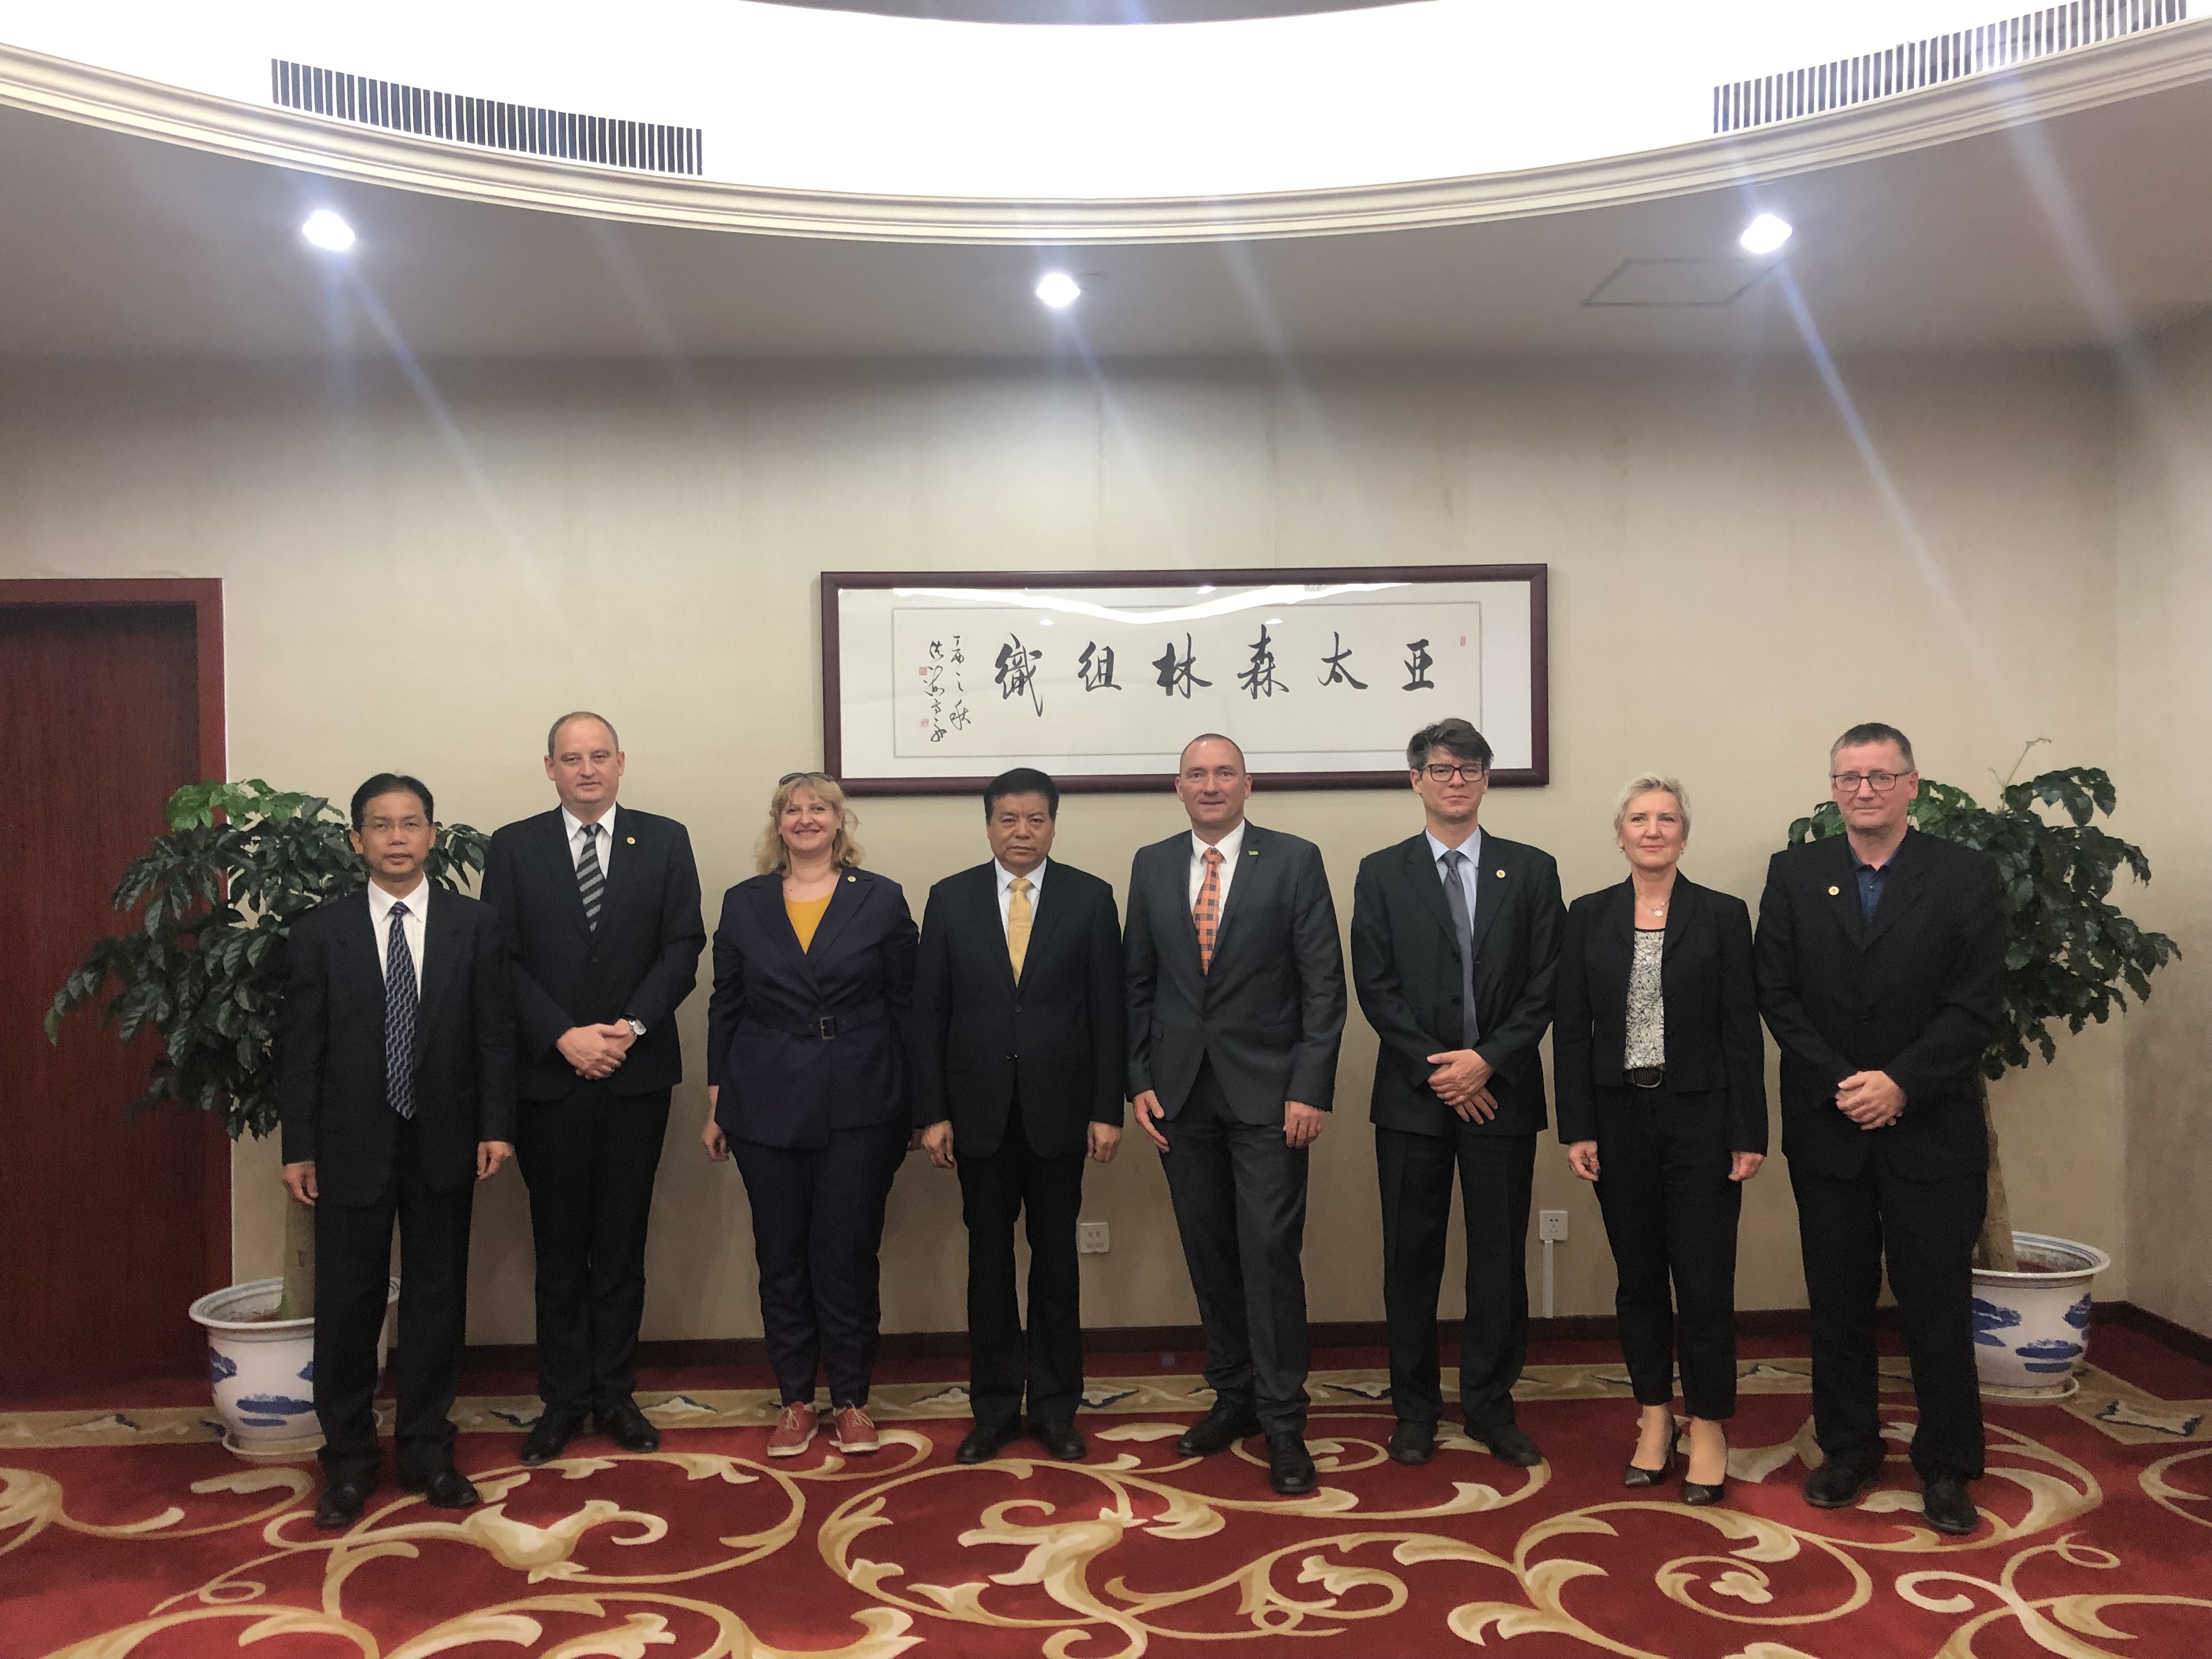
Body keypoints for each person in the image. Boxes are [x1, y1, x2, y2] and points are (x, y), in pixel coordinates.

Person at [1756, 722, 2004, 1538]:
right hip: (1830, 1128)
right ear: (1833, 789)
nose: (1863, 790)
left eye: (1879, 776)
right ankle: (1850, 1448)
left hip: (1931, 1127)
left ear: (1911, 785)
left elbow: (1974, 1002)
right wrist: (1846, 1084)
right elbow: (1776, 994)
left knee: (1937, 1301)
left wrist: (1900, 1083)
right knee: (1838, 1299)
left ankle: (1947, 1465)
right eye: (1848, 777)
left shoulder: (1963, 875)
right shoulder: (1796, 874)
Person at [278, 774, 515, 1529]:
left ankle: (427, 1452)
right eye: (381, 825)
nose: (397, 838)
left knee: (437, 1301)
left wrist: (497, 1125)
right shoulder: (321, 931)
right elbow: (301, 1048)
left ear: (432, 835)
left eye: (411, 823)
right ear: (358, 840)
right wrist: (299, 1145)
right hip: (349, 1145)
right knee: (347, 1306)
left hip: (447, 1139)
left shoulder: (476, 925)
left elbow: (495, 1033)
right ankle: (348, 1464)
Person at [481, 712, 705, 1466]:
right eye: (571, 758)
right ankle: (562, 1401)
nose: (586, 770)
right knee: (557, 1246)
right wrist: (563, 1036)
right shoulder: (514, 847)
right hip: (549, 1078)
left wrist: (629, 1028)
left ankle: (615, 1395)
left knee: (620, 1243)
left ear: (620, 763)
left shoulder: (664, 840)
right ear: (549, 768)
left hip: (635, 1075)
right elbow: (500, 957)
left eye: (599, 756)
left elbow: (683, 946)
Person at [1125, 734, 1346, 1496]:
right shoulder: (1152, 864)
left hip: (1272, 1095)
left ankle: (1284, 1422)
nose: (1211, 785)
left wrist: (1311, 1088)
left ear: (1248, 784)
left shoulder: (1294, 860)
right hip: (1180, 1094)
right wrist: (1138, 1079)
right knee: (1209, 1250)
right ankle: (1234, 1397)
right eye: (1197, 774)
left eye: (1225, 773)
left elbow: (1324, 985)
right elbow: (1137, 982)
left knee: (1269, 1253)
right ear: (1178, 787)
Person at [1350, 718, 1565, 1470]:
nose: (1456, 781)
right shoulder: (1382, 872)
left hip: (1502, 1094)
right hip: (1413, 1098)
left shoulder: (1531, 870)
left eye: (1470, 768)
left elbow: (1547, 982)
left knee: (1498, 1258)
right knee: (1410, 1260)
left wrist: (1487, 1063)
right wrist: (1444, 1072)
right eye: (1441, 769)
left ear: (1486, 779)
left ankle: (1489, 1406)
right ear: (1416, 780)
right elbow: (1374, 985)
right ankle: (1414, 1410)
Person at [1555, 774, 1767, 1505]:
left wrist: (1748, 1128)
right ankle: (1654, 1416)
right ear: (1620, 835)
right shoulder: (1587, 915)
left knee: (1704, 1280)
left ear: (1684, 834)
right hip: (1618, 1118)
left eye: (1666, 818)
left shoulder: (1723, 915)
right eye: (1639, 819)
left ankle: (1708, 1425)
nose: (1653, 830)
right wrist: (1577, 1126)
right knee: (1639, 1278)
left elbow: (1742, 1029)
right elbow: (1571, 1028)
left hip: (1703, 1118)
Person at [702, 771, 918, 1459]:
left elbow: (908, 1003)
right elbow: (725, 1004)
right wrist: (716, 1103)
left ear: (838, 821)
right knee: (781, 1255)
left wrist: (921, 1104)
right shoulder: (744, 902)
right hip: (763, 1098)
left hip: (862, 1096)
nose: (805, 818)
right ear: (778, 824)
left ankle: (851, 1398)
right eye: (792, 809)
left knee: (846, 1255)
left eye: (818, 808)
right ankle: (795, 1399)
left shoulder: (880, 898)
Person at [913, 768, 1126, 1465]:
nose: (1022, 832)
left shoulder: (1091, 898)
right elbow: (928, 1014)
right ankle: (996, 1409)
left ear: (1053, 825)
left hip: (1061, 1113)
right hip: (976, 1114)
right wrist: (932, 1113)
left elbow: (1109, 1012)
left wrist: (1107, 1109)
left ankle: (1058, 1409)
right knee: (988, 1264)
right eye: (1008, 819)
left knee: (1057, 1263)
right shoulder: (949, 899)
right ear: (988, 826)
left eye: (1036, 819)